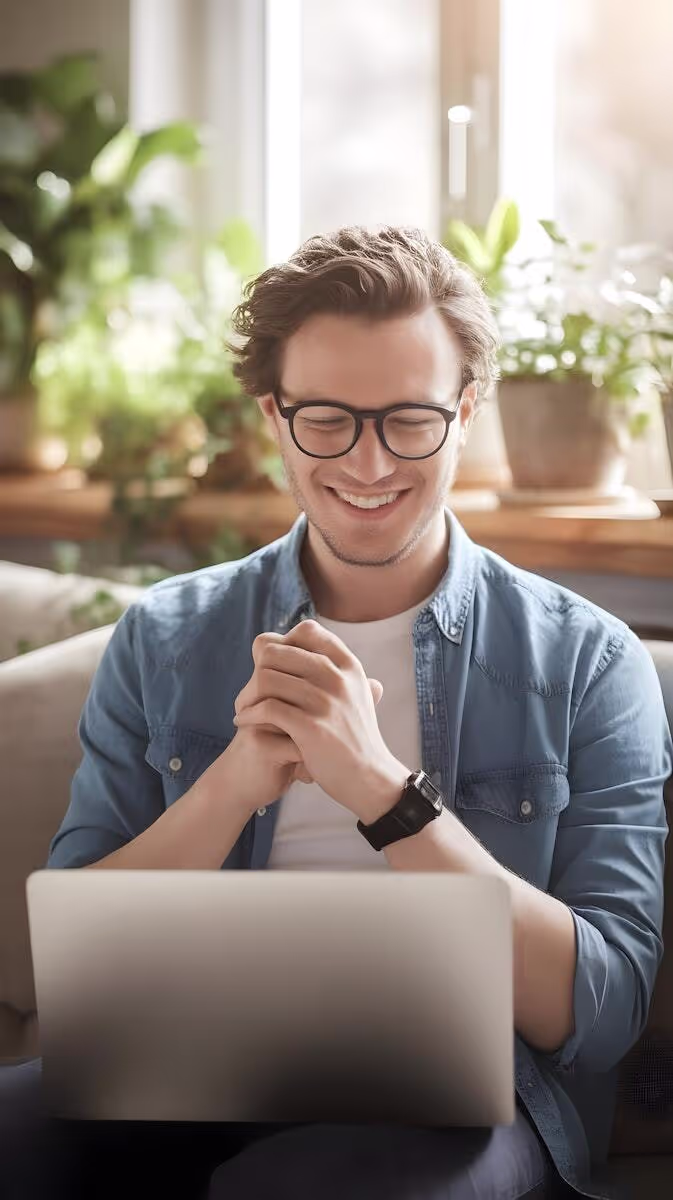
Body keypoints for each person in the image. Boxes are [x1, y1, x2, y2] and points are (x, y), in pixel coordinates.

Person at [1, 225, 670, 1200]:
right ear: (274, 416)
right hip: (179, 1075)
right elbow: (75, 969)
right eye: (326, 419)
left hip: (464, 1110)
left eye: (408, 419)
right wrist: (232, 785)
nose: (366, 463)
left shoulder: (587, 661)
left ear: (466, 409)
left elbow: (598, 1010)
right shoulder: (166, 638)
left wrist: (383, 792)